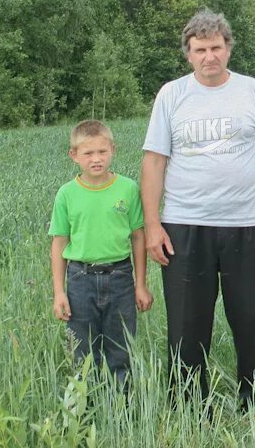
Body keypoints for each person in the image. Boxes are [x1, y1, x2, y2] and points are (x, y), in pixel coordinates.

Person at [141, 9, 255, 407]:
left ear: (228, 49)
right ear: (188, 53)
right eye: (200, 49)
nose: (209, 56)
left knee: (252, 321)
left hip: (248, 223)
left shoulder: (251, 90)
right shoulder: (172, 95)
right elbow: (154, 162)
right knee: (187, 327)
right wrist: (153, 225)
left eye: (216, 48)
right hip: (186, 226)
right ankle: (189, 408)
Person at [50, 120, 153, 387]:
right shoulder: (67, 194)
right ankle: (84, 414)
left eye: (102, 152)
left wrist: (141, 285)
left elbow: (138, 237)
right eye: (88, 153)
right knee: (82, 353)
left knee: (121, 351)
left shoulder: (128, 189)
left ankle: (122, 411)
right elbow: (59, 243)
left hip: (120, 277)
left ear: (112, 150)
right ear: (74, 156)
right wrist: (59, 292)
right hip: (80, 280)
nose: (96, 159)